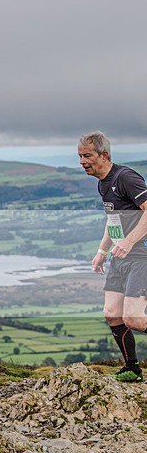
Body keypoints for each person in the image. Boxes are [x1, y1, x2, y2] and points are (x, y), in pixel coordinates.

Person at [81, 131, 147, 382]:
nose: (82, 162)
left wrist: (129, 241)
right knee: (112, 313)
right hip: (121, 258)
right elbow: (114, 221)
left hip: (141, 256)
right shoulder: (103, 184)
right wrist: (102, 251)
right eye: (80, 156)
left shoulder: (126, 177)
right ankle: (132, 368)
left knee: (134, 319)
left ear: (104, 155)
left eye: (87, 156)